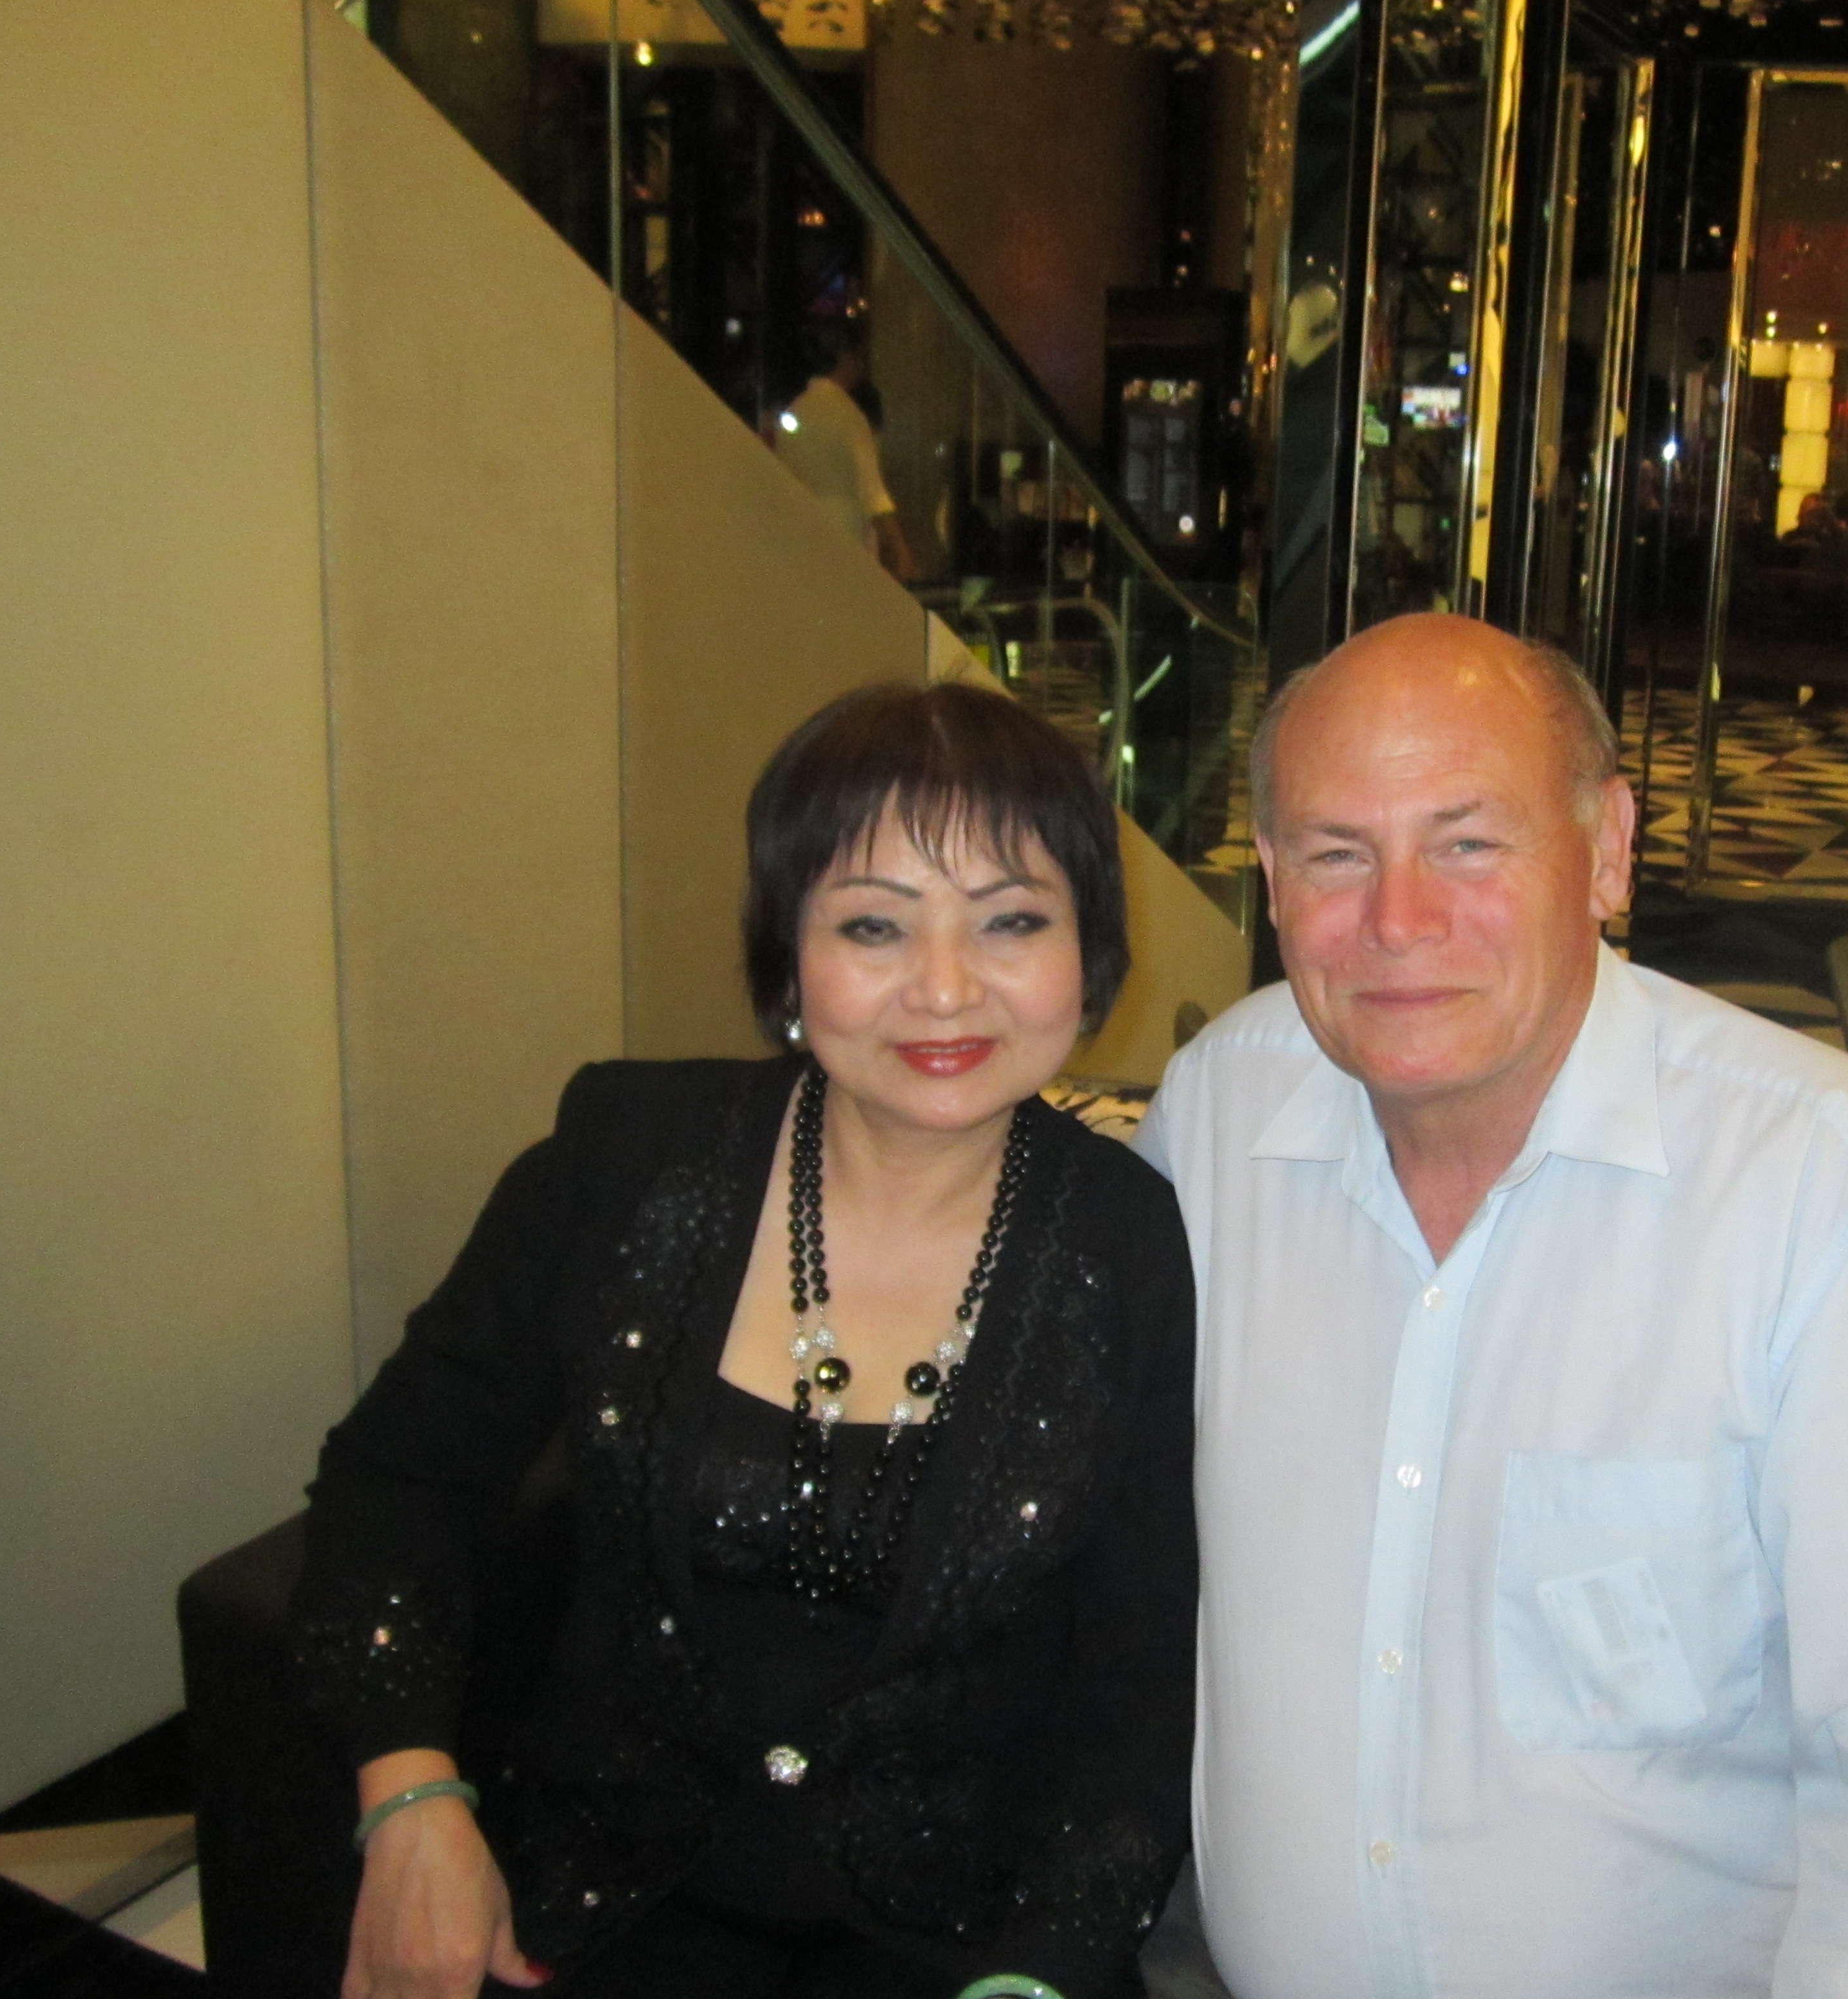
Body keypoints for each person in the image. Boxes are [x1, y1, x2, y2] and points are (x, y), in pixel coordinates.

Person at [1134, 615, 1848, 1999]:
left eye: (1468, 843)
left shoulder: (1809, 1180)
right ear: (1270, 881)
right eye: (1337, 854)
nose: (1399, 921)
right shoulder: (1216, 1116)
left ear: (1609, 851)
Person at [292, 681, 1196, 1999]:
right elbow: (397, 1479)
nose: (946, 989)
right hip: (602, 1902)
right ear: (789, 960)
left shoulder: (1131, 1244)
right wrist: (411, 1798)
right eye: (874, 925)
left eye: (1011, 921)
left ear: (1089, 952)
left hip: (964, 1942)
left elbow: (1141, 1680)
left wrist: (1045, 1968)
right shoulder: (625, 1159)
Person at [777, 325, 915, 581]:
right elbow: (872, 491)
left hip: (800, 538)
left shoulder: (796, 410)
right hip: (847, 537)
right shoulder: (848, 414)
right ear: (845, 357)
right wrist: (901, 551)